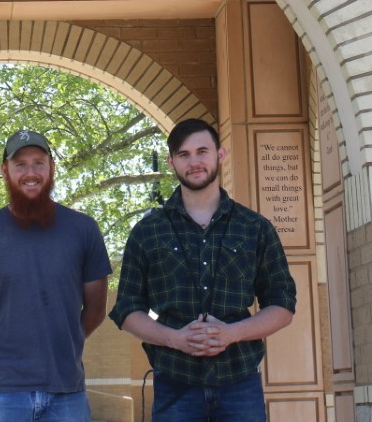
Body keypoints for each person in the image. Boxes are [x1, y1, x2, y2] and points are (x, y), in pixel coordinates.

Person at [109, 118, 296, 422]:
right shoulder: (148, 231)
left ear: (220, 154)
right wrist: (175, 338)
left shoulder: (255, 228)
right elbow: (127, 309)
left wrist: (231, 334)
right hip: (174, 382)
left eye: (202, 151)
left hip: (240, 382)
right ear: (171, 162)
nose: (194, 162)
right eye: (184, 154)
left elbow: (283, 304)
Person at [0, 128, 113, 422]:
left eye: (39, 163)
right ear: (5, 170)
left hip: (67, 390)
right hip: (2, 394)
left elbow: (95, 310)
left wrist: (65, 345)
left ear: (52, 167)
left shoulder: (83, 230)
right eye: (21, 165)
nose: (31, 173)